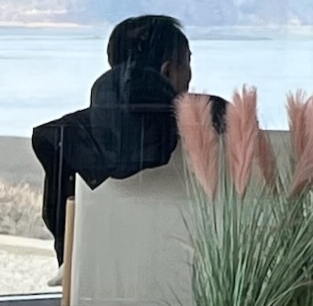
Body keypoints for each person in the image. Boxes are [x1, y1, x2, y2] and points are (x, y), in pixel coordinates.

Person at [30, 13, 214, 257]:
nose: (190, 75)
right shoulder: (212, 129)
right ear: (168, 71)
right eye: (187, 62)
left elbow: (63, 235)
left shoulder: (71, 138)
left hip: (92, 272)